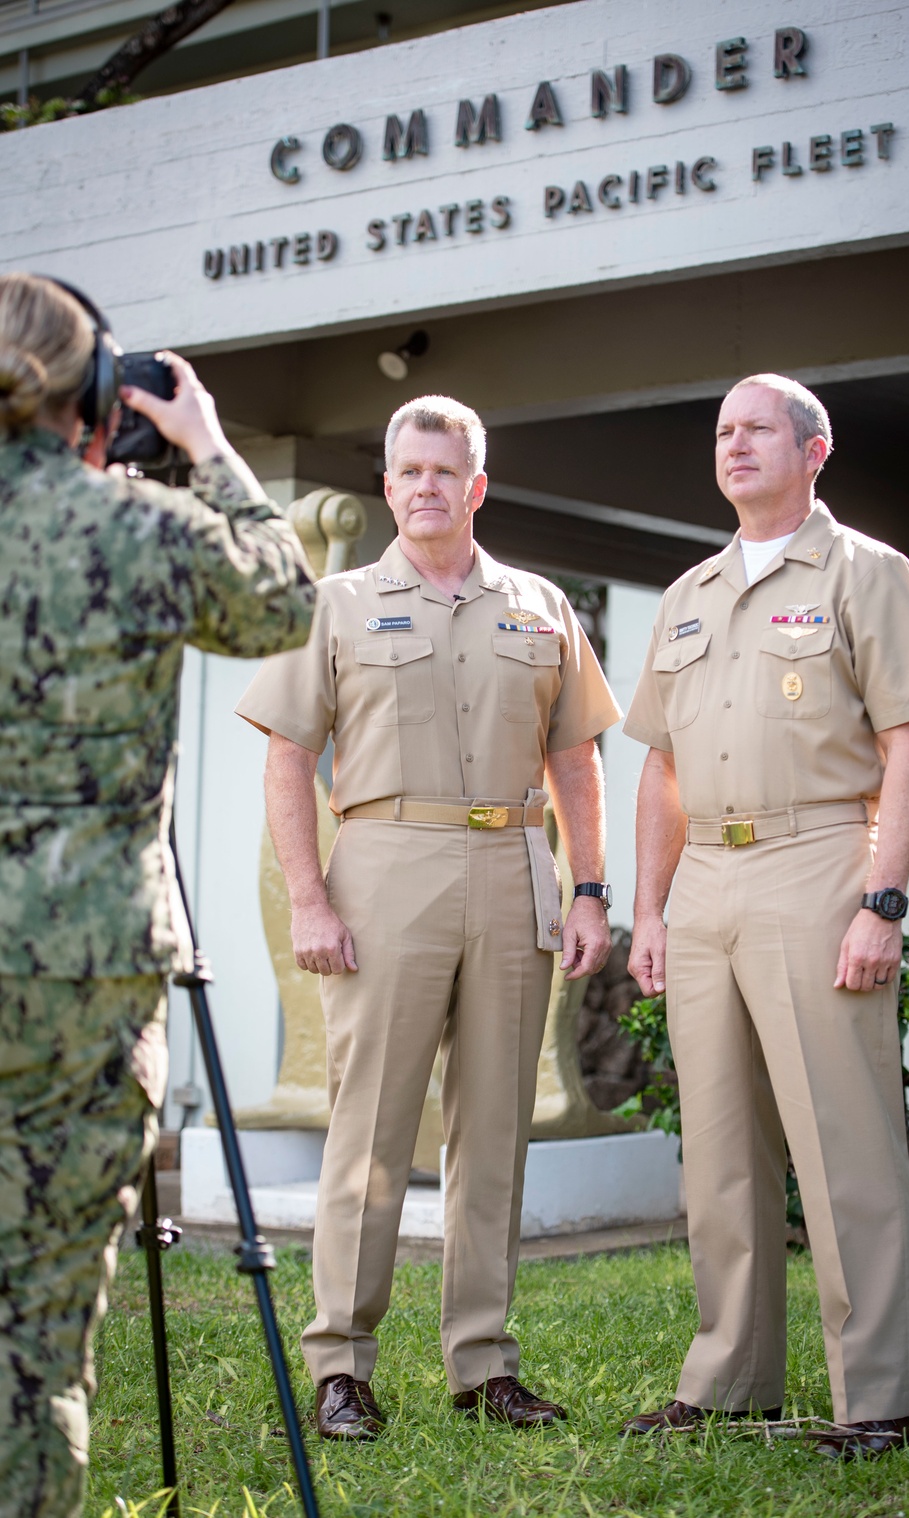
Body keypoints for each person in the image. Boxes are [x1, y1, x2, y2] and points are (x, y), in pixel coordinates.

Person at [237, 394, 621, 1438]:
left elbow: (576, 760)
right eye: (405, 471)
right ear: (388, 483)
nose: (421, 487)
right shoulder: (339, 604)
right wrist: (310, 896)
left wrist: (588, 886)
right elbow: (285, 759)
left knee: (495, 1126)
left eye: (441, 471)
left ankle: (482, 1363)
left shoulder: (539, 605)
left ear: (475, 485)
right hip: (385, 868)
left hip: (512, 866)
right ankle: (341, 1365)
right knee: (370, 1125)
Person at [0, 272, 316, 1518]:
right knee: (34, 1323)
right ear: (93, 394)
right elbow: (283, 597)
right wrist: (212, 450)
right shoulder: (134, 529)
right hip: (81, 980)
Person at [619, 374, 909, 1460]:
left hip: (818, 864)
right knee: (717, 1149)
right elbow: (659, 768)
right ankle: (730, 1379)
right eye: (721, 430)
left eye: (757, 428)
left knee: (842, 1142)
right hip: (705, 884)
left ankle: (873, 1399)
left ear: (815, 450)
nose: (734, 445)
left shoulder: (866, 573)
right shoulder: (689, 591)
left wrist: (882, 902)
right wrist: (648, 908)